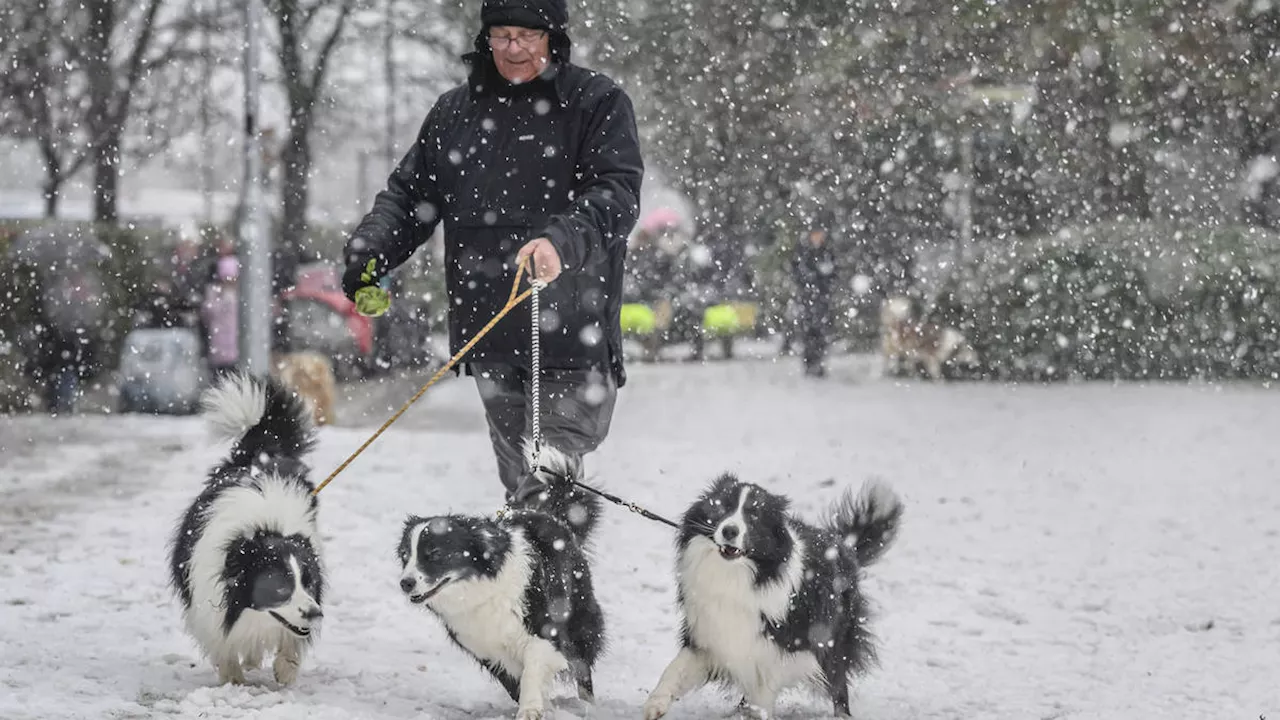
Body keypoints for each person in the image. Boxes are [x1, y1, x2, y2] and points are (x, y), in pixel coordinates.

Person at [341, 0, 644, 502]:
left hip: (572, 334)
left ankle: (552, 573)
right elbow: (410, 197)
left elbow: (616, 193)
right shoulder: (455, 114)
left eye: (527, 36)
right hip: (491, 334)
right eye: (501, 35)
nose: (513, 49)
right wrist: (371, 250)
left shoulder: (596, 103)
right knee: (520, 488)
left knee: (544, 488)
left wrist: (560, 241)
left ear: (554, 37)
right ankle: (543, 577)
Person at [792, 216, 837, 378]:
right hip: (808, 298)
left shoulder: (827, 252)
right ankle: (809, 363)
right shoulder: (804, 252)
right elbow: (797, 272)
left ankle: (818, 363)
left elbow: (833, 274)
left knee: (821, 334)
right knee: (808, 333)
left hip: (822, 299)